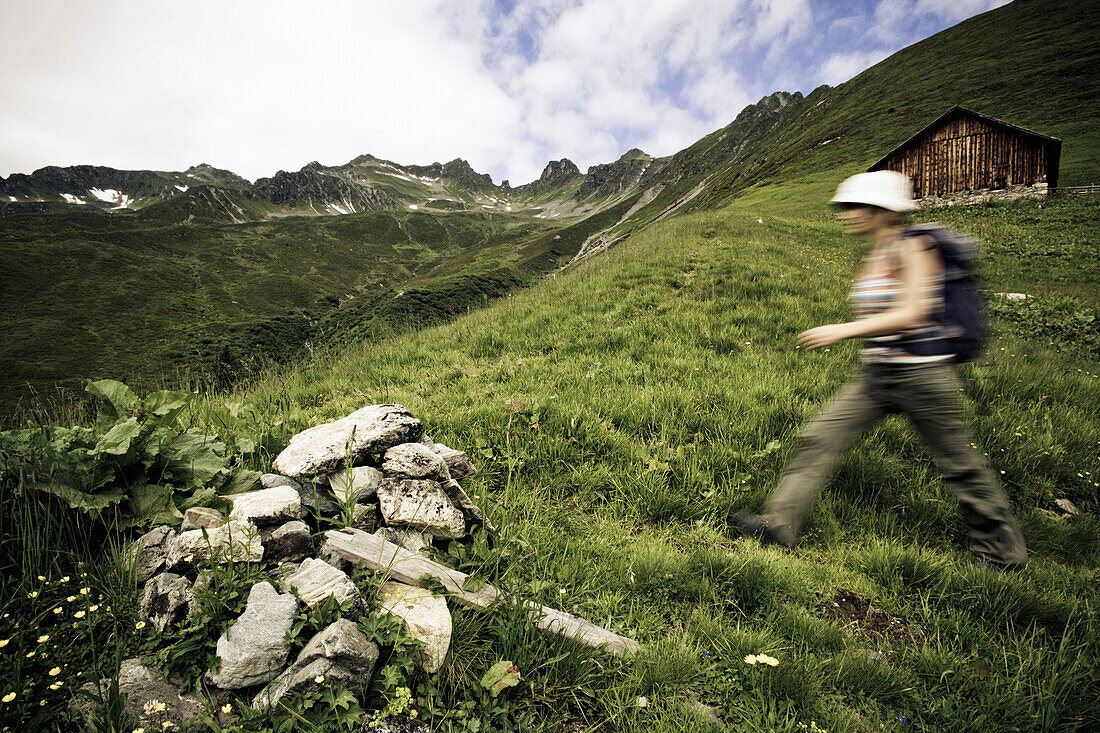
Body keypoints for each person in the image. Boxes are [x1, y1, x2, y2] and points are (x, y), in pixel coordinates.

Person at [732, 171, 1028, 571]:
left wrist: (843, 330)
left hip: (922, 376)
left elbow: (914, 310)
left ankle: (1002, 556)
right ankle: (779, 525)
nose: (846, 215)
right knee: (819, 437)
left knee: (958, 464)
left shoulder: (914, 246)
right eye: (846, 207)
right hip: (879, 375)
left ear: (883, 211)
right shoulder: (874, 252)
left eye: (856, 207)